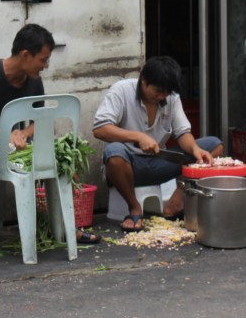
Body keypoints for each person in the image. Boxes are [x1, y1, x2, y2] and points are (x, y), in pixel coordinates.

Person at [0, 23, 101, 261]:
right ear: (25, 55)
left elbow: (39, 120)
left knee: (64, 158)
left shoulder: (33, 80)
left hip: (16, 146)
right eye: (43, 60)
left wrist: (25, 133)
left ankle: (67, 227)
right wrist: (4, 132)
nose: (45, 66)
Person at [92, 56, 224, 232]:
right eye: (158, 91)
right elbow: (100, 128)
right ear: (144, 81)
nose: (163, 96)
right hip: (127, 167)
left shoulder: (171, 97)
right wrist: (138, 137)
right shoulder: (121, 91)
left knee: (214, 145)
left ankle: (177, 201)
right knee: (114, 151)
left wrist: (196, 150)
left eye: (166, 92)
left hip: (159, 163)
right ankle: (134, 207)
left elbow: (182, 132)